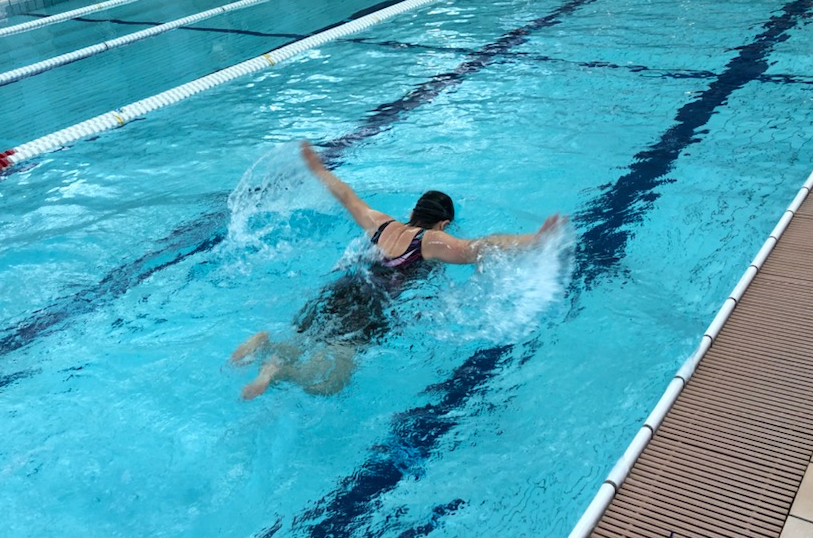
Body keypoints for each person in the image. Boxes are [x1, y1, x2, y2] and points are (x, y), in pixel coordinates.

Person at [230, 141, 565, 399]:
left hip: (338, 289)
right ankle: (280, 372)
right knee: (330, 383)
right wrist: (534, 241)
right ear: (444, 223)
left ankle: (269, 349)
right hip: (367, 307)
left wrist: (317, 167)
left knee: (303, 337)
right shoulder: (430, 241)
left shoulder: (381, 224)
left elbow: (346, 196)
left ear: (413, 212)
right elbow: (478, 248)